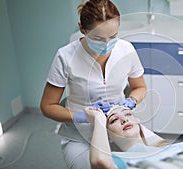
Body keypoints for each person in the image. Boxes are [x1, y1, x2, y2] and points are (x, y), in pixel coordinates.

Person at [40, 0, 150, 168]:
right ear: (82, 29)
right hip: (80, 136)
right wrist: (82, 116)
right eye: (98, 38)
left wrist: (131, 101)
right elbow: (48, 106)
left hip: (119, 132)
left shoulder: (126, 50)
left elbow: (140, 87)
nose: (107, 44)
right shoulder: (65, 56)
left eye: (113, 36)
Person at [84, 105, 183, 169]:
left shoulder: (176, 147)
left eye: (128, 114)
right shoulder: (117, 160)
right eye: (114, 120)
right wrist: (98, 118)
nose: (124, 120)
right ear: (107, 135)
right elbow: (100, 161)